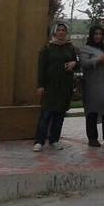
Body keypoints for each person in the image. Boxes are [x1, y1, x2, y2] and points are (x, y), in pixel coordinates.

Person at [33, 23, 78, 151]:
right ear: (54, 32)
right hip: (50, 86)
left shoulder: (70, 48)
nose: (61, 32)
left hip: (64, 86)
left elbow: (77, 64)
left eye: (64, 30)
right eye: (59, 30)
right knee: (46, 114)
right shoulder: (47, 48)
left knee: (59, 115)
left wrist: (74, 63)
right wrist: (40, 85)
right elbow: (41, 68)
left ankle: (54, 140)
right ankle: (39, 141)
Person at [78, 25, 104, 148]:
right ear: (91, 35)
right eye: (96, 34)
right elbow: (83, 63)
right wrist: (98, 59)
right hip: (92, 85)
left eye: (100, 34)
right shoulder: (85, 49)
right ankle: (92, 138)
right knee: (92, 111)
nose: (98, 36)